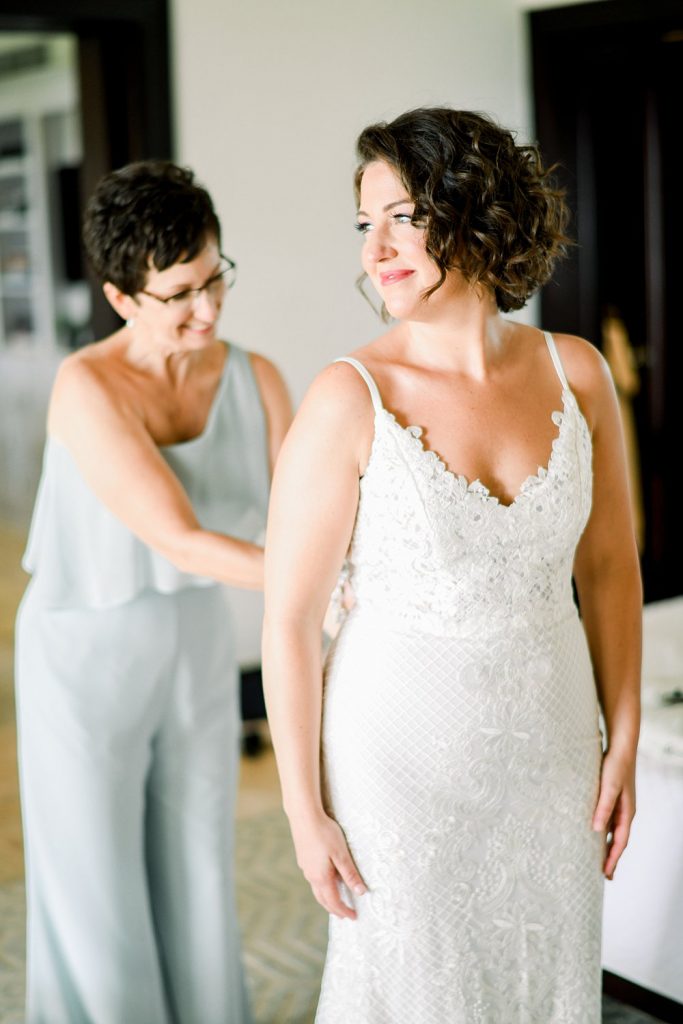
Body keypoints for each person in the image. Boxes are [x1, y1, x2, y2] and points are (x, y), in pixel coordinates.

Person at [262, 108, 642, 1023]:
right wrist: (302, 811)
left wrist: (620, 736)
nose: (376, 248)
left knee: (544, 980)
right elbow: (287, 618)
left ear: (471, 209)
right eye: (364, 224)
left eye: (402, 215)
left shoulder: (576, 372)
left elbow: (609, 569)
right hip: (397, 763)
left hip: (552, 748)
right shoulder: (348, 395)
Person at [15, 160, 291, 1024]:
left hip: (194, 642)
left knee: (197, 861)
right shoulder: (86, 386)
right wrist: (326, 585)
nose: (207, 310)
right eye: (179, 295)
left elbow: (309, 516)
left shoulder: (258, 378)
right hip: (82, 657)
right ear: (122, 298)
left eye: (216, 279)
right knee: (96, 881)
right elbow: (175, 536)